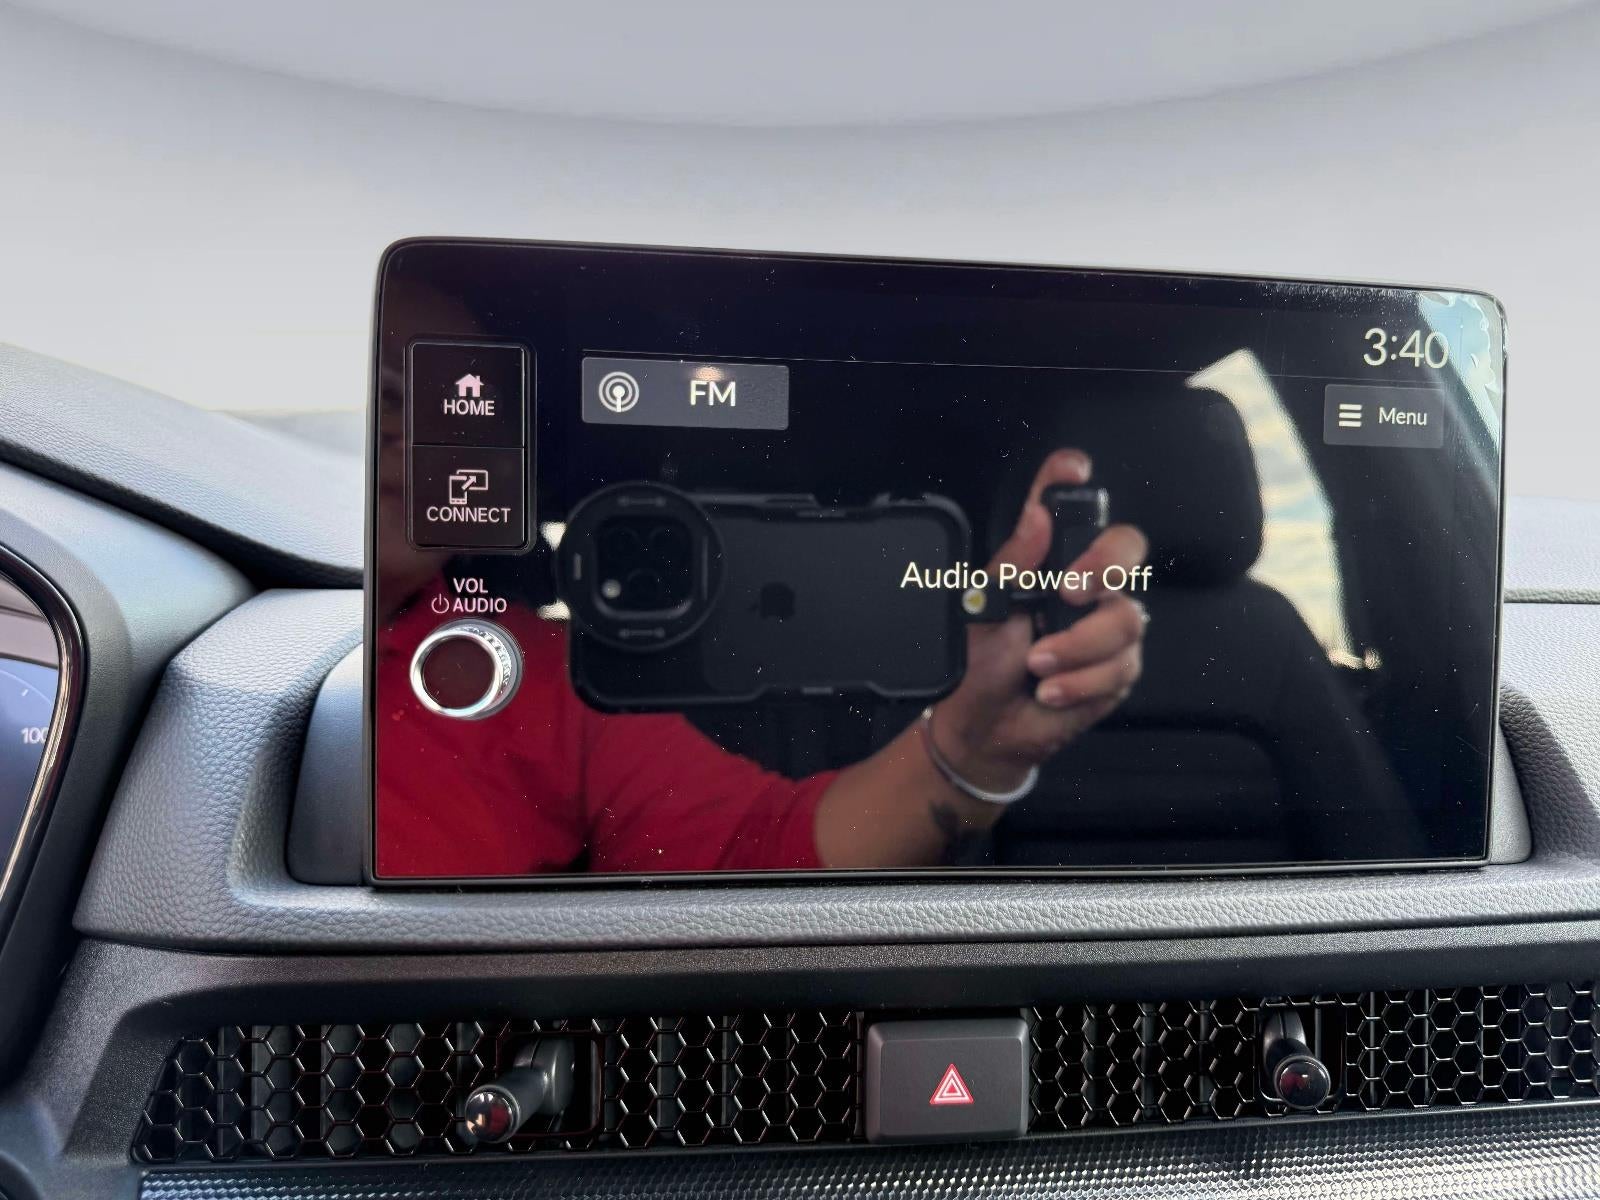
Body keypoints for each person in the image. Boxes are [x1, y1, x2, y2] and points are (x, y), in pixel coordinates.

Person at [375, 449, 1148, 876]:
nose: (391, 403)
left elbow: (761, 852)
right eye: (383, 377)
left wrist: (976, 747)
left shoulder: (554, 679)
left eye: (424, 385)